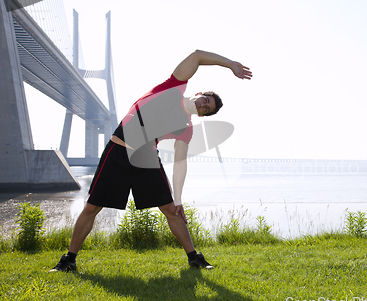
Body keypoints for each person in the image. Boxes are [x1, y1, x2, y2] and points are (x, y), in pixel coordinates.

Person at [50, 50, 252, 272]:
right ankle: (68, 260)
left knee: (170, 209)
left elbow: (180, 162)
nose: (203, 105)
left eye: (207, 109)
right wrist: (230, 64)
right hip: (118, 151)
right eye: (205, 100)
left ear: (203, 115)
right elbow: (197, 56)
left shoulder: (186, 127)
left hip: (145, 157)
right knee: (92, 207)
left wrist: (179, 199)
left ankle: (194, 257)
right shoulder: (173, 87)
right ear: (199, 93)